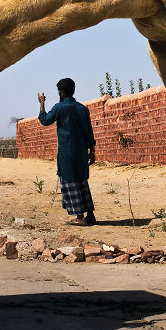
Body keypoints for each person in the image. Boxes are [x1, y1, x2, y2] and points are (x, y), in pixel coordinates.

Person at [38, 78, 97, 226]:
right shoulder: (82, 109)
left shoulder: (60, 107)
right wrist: (92, 151)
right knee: (82, 182)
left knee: (70, 183)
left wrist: (42, 103)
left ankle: (79, 217)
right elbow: (89, 132)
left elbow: (45, 120)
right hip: (81, 153)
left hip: (67, 153)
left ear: (61, 92)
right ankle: (90, 215)